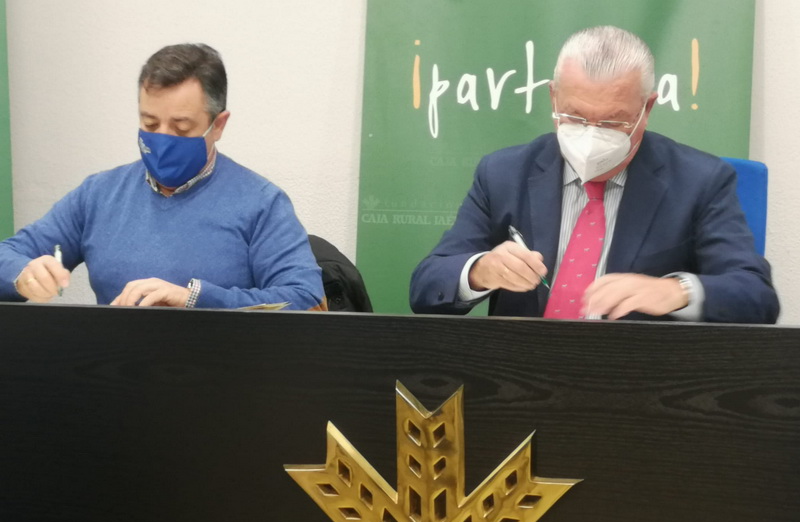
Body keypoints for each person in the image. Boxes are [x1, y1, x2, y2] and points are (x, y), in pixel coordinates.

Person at [409, 26, 779, 324]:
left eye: (613, 122)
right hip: (520, 374)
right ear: (554, 97)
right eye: (574, 116)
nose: (591, 134)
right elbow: (426, 286)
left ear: (647, 108)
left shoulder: (701, 181)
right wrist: (480, 271)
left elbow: (756, 297)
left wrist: (676, 291)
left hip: (640, 379)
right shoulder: (504, 173)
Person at [0, 43, 324, 310]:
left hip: (222, 366)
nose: (163, 139)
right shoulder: (99, 195)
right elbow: (7, 256)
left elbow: (305, 298)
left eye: (181, 128)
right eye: (150, 124)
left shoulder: (261, 203)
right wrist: (22, 274)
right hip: (113, 365)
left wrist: (195, 299)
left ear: (218, 125)